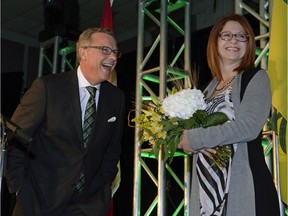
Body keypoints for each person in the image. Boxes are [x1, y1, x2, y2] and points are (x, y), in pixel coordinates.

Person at [4, 27, 125, 216]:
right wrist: (19, 188)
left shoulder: (116, 98)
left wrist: (102, 190)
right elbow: (14, 139)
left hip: (88, 206)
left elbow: (112, 150)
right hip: (39, 202)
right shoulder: (48, 87)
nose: (113, 57)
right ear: (83, 52)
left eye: (116, 52)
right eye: (105, 50)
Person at [178, 14, 280, 216]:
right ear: (215, 41)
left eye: (241, 36)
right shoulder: (206, 90)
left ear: (248, 44)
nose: (234, 40)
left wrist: (195, 138)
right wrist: (182, 140)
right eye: (227, 35)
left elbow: (249, 126)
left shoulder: (255, 78)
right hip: (208, 190)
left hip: (244, 187)